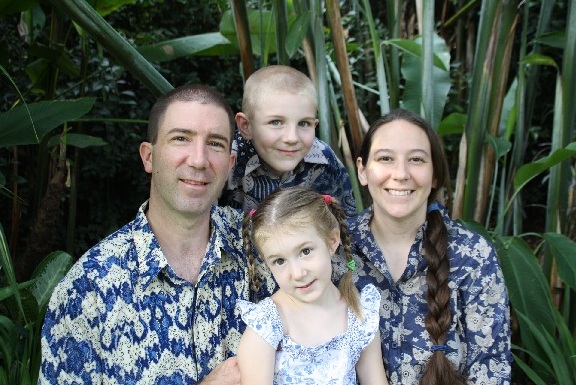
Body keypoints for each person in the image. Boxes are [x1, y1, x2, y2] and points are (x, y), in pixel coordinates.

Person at [38, 84, 274, 385]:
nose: (199, 160)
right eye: (181, 139)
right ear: (148, 157)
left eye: (215, 144)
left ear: (229, 165)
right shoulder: (89, 289)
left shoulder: (265, 248)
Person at [336, 109, 512, 385]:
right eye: (385, 159)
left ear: (434, 176)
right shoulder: (336, 249)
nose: (401, 174)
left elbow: (492, 368)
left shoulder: (473, 255)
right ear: (362, 170)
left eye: (416, 160)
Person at [236, 186, 389, 385]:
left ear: (332, 241)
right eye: (280, 261)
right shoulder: (267, 324)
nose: (298, 273)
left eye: (306, 251)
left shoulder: (359, 314)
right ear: (267, 264)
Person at [219, 65, 357, 216]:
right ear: (246, 126)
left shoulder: (323, 159)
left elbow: (345, 223)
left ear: (315, 125)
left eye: (304, 123)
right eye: (276, 122)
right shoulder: (225, 160)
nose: (292, 138)